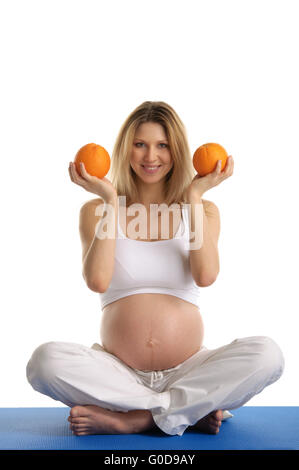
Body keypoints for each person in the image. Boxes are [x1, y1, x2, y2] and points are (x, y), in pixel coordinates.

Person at [26, 101, 284, 437]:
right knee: (44, 362)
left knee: (268, 355)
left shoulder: (203, 210)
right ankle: (185, 410)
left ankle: (138, 418)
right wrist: (108, 201)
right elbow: (97, 280)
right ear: (125, 150)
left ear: (176, 150)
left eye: (162, 145)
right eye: (140, 144)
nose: (151, 157)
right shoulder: (96, 209)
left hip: (189, 369)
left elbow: (206, 275)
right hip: (117, 372)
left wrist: (193, 196)